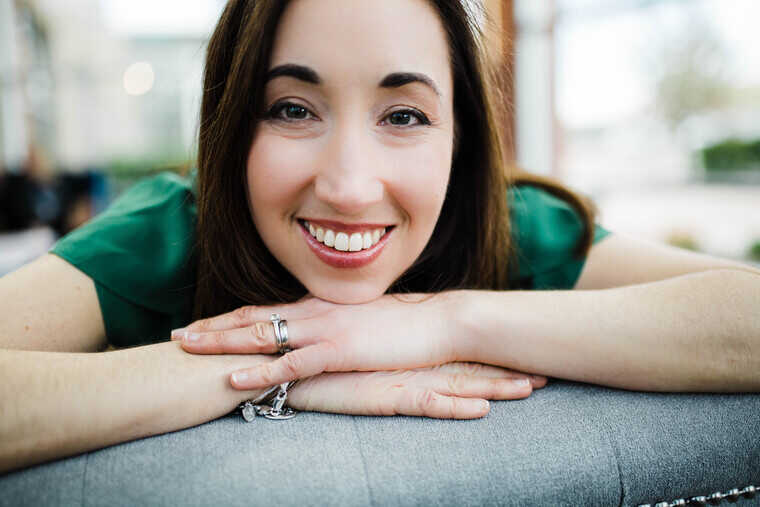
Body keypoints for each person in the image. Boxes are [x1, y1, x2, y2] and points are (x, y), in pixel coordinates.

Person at [1, 0, 758, 475]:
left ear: (459, 136)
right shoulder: (170, 230)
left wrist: (440, 321)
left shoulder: (509, 223)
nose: (350, 185)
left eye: (404, 116)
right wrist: (280, 364)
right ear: (232, 124)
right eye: (293, 109)